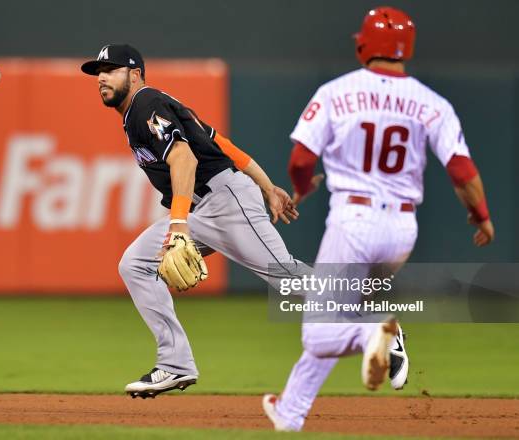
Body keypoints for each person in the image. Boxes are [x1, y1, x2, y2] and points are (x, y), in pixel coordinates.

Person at [262, 6, 494, 431]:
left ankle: (377, 333)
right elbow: (461, 169)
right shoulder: (432, 102)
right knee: (337, 315)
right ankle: (290, 413)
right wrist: (481, 217)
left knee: (319, 332)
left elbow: (300, 159)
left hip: (354, 221)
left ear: (366, 44)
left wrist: (303, 185)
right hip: (402, 232)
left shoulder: (337, 91)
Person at [81, 44, 305, 398]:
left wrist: (178, 226)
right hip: (207, 208)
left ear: (135, 74)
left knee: (288, 279)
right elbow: (221, 143)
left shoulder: (144, 104)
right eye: (98, 72)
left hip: (225, 202)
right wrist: (266, 186)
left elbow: (184, 161)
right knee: (136, 264)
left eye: (111, 69)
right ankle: (175, 364)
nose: (102, 78)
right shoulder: (150, 107)